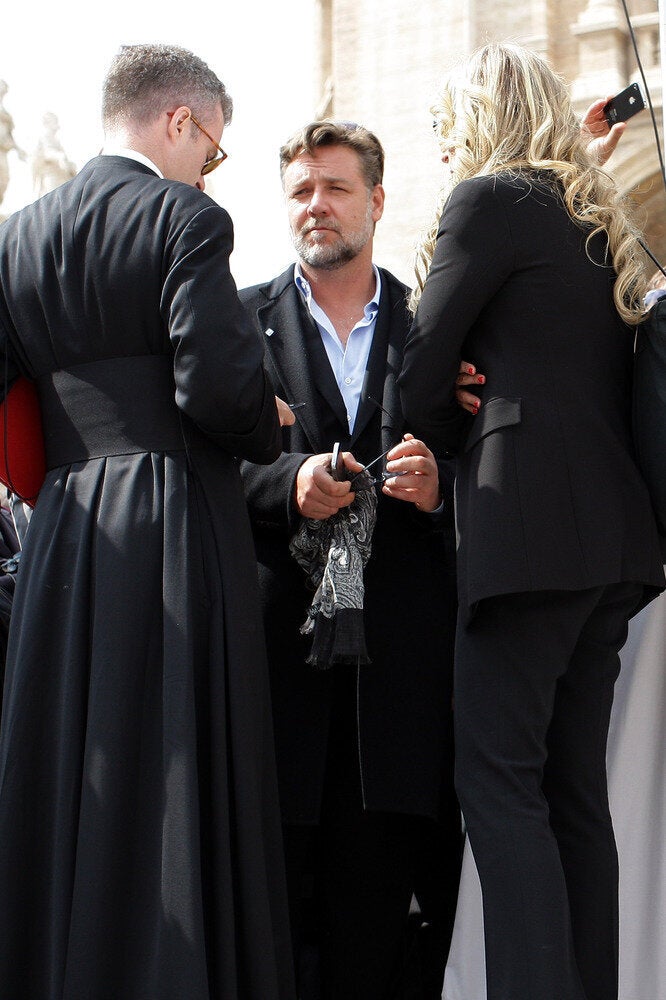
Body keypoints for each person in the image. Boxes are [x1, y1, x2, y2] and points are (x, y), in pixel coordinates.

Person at [0, 43, 296, 1000]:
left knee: (76, 757)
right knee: (176, 768)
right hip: (172, 521)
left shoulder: (15, 237)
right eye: (214, 151)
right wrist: (271, 418)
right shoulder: (185, 218)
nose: (211, 171)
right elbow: (215, 383)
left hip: (64, 535)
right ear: (180, 122)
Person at [399, 42, 665, 1000]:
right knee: (572, 801)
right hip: (612, 552)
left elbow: (418, 370)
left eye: (445, 129)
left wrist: (444, 411)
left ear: (477, 119)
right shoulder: (601, 220)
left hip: (525, 543)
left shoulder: (491, 199)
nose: (442, 152)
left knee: (499, 790)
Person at [239, 120, 471, 1000]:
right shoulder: (235, 321)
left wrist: (439, 485)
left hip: (399, 692)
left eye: (335, 188)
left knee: (370, 933)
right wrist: (286, 483)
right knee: (275, 925)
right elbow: (207, 474)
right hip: (277, 678)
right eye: (301, 190)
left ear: (376, 201)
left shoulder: (437, 326)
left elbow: (482, 458)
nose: (317, 205)